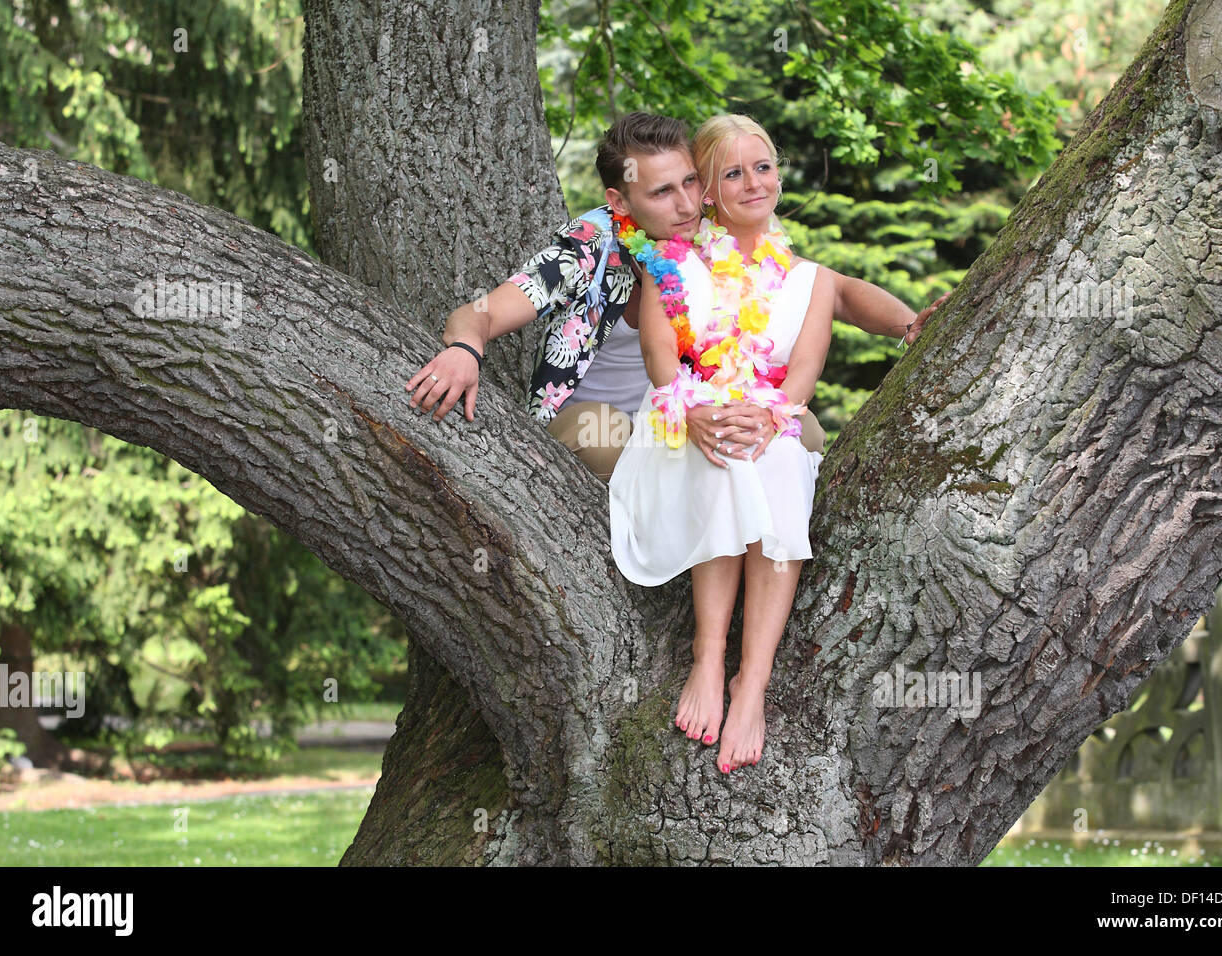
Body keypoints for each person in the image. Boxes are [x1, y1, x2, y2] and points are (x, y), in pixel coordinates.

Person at [404, 112, 948, 481]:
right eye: (662, 191)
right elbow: (482, 311)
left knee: (800, 430)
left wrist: (909, 326)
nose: (687, 204)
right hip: (603, 420)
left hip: (692, 415)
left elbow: (836, 292)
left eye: (691, 182)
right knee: (615, 440)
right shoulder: (590, 244)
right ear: (621, 198)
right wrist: (463, 349)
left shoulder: (720, 235)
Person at [608, 113, 836, 776]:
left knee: (782, 462)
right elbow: (660, 358)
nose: (752, 182)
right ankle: (709, 658)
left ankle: (751, 683)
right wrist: (699, 414)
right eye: (732, 172)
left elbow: (800, 377)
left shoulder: (811, 279)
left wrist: (770, 417)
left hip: (767, 421)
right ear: (707, 190)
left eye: (762, 166)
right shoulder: (671, 263)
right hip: (683, 420)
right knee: (722, 462)